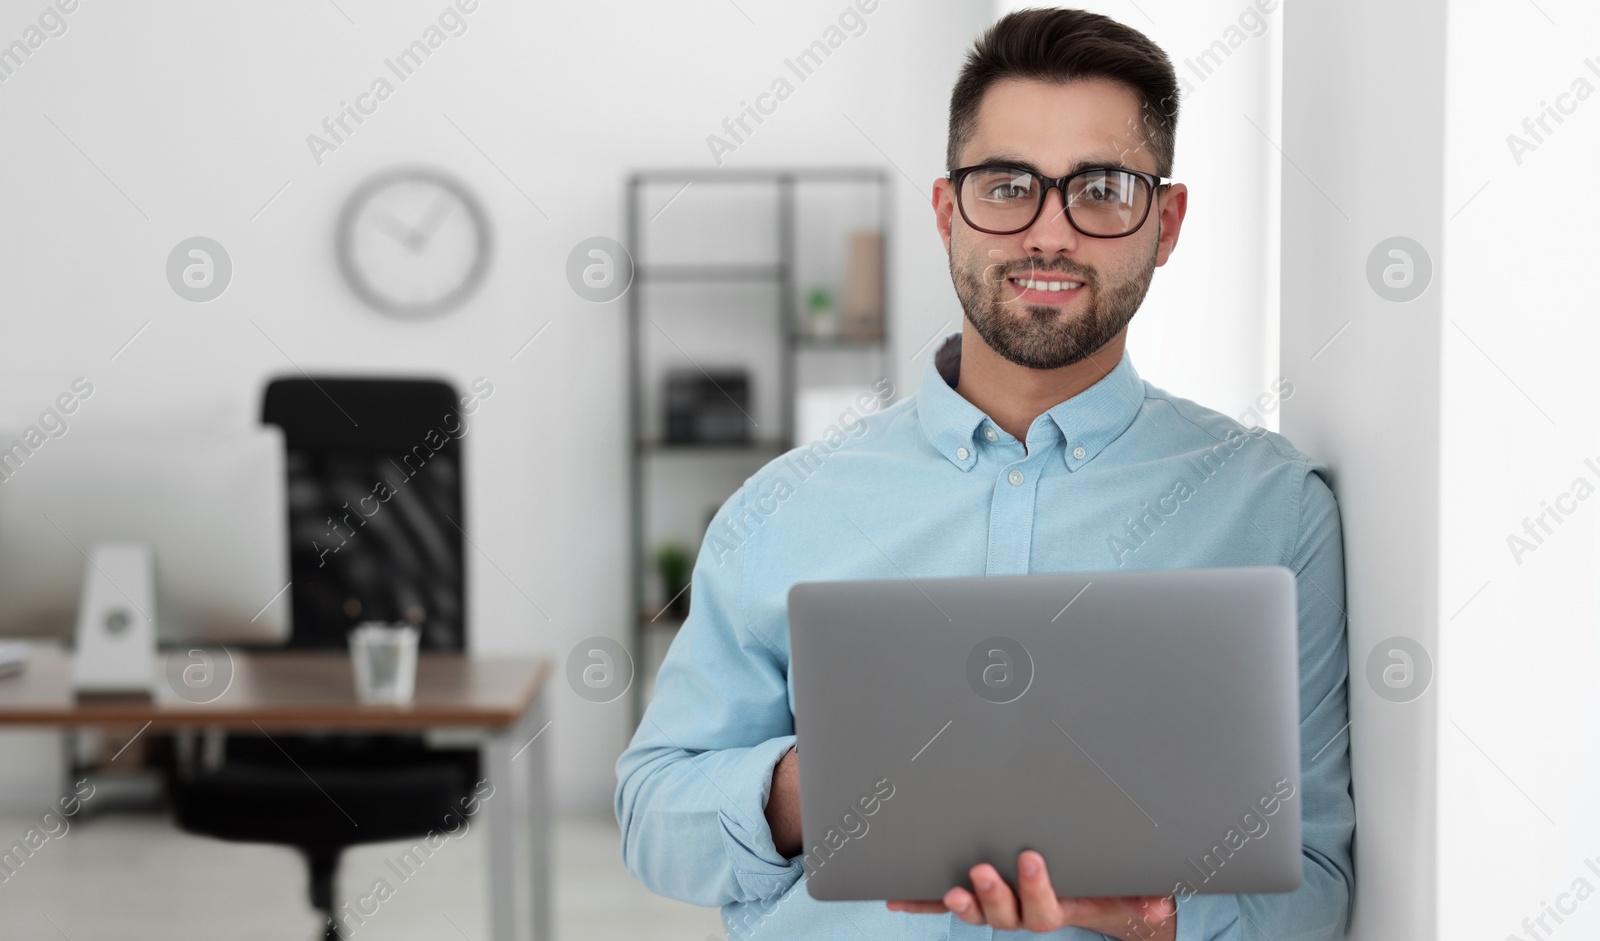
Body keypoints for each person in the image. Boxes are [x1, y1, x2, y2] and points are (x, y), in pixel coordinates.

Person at [615, 8, 1354, 940]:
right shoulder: (783, 506)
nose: (1049, 233)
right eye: (1007, 185)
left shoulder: (1274, 511)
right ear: (945, 210)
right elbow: (651, 813)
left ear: (1164, 222)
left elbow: (1317, 880)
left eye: (1102, 187)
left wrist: (1153, 917)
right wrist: (820, 782)